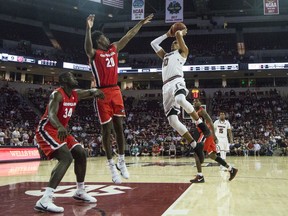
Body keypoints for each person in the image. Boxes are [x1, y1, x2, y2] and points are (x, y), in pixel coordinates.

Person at [85, 13, 154, 183]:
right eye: (104, 37)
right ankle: (111, 167)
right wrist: (88, 28)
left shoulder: (114, 48)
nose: (107, 38)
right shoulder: (94, 53)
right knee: (106, 132)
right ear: (99, 40)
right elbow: (87, 48)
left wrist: (140, 23)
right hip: (101, 93)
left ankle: (121, 161)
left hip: (115, 91)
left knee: (119, 128)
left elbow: (129, 36)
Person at [34, 72, 104, 213]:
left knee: (81, 153)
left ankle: (80, 191)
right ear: (65, 80)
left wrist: (96, 91)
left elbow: (89, 92)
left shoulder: (75, 94)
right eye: (72, 77)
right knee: (66, 158)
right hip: (47, 128)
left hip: (61, 129)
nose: (75, 78)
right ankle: (45, 199)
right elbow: (52, 114)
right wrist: (59, 126)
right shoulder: (57, 95)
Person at [150, 25, 211, 160]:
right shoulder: (165, 55)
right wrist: (167, 34)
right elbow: (153, 43)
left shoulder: (183, 52)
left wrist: (180, 32)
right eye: (172, 42)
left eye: (176, 42)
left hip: (177, 80)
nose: (173, 42)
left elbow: (177, 33)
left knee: (180, 100)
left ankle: (200, 123)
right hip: (166, 87)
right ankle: (195, 145)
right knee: (172, 120)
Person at [190, 99, 238, 183]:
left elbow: (210, 122)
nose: (195, 102)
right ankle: (231, 169)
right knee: (212, 155)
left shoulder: (202, 111)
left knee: (196, 153)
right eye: (194, 101)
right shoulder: (195, 111)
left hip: (205, 133)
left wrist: (214, 135)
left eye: (197, 100)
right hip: (206, 134)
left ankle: (200, 176)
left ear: (201, 103)